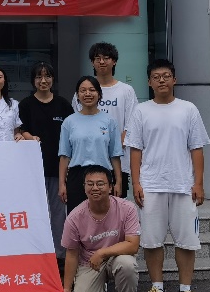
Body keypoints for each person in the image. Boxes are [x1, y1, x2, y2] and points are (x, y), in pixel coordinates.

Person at [127, 58, 210, 292]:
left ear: (174, 79)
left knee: (187, 240)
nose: (161, 80)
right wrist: (136, 182)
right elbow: (135, 149)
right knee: (152, 240)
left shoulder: (188, 109)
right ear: (149, 82)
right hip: (151, 185)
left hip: (183, 185)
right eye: (156, 77)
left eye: (166, 76)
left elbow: (196, 148)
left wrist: (198, 183)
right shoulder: (141, 111)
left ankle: (185, 290)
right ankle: (157, 289)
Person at [58, 165, 141, 292]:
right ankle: (95, 291)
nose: (95, 188)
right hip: (89, 263)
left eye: (100, 184)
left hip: (116, 257)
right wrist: (67, 288)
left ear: (110, 187)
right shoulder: (74, 217)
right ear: (84, 187)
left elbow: (133, 245)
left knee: (127, 264)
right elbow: (72, 254)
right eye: (90, 184)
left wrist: (102, 252)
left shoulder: (127, 208)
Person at [17, 61, 74, 261]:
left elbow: (72, 133)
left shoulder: (63, 105)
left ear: (53, 79)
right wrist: (28, 136)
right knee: (34, 213)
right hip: (32, 170)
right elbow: (19, 129)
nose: (43, 80)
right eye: (39, 76)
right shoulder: (25, 105)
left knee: (58, 214)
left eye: (47, 76)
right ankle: (36, 254)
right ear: (33, 80)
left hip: (58, 169)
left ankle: (59, 256)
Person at [58, 75, 123, 211]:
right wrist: (62, 184)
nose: (87, 94)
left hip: (102, 175)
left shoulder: (109, 121)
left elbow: (115, 155)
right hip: (77, 176)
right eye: (83, 90)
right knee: (77, 216)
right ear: (77, 95)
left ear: (99, 94)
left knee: (103, 216)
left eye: (92, 90)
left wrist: (118, 181)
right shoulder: (69, 122)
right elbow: (64, 156)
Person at [86, 42, 140, 198]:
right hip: (89, 158)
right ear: (92, 62)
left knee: (117, 204)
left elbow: (132, 124)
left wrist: (116, 145)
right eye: (97, 58)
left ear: (114, 61)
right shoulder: (84, 90)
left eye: (106, 58)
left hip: (119, 161)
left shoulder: (126, 91)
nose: (102, 62)